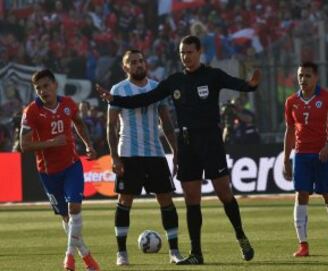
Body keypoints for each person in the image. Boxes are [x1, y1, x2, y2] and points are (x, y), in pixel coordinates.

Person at [97, 35, 261, 265]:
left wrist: (251, 85)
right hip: (187, 143)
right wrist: (115, 99)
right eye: (183, 53)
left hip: (211, 141)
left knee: (224, 193)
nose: (186, 56)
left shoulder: (212, 75)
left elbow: (238, 84)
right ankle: (196, 253)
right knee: (191, 199)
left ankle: (241, 236)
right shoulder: (174, 81)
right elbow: (145, 99)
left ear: (199, 52)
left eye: (190, 52)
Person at [107, 49, 183, 265]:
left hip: (155, 153)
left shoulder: (156, 87)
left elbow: (166, 123)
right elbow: (111, 126)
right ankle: (121, 253)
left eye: (140, 61)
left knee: (166, 199)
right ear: (125, 67)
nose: (138, 64)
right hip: (129, 153)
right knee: (125, 200)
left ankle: (174, 251)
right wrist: (114, 156)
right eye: (132, 62)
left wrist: (175, 151)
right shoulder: (118, 90)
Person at [20, 69, 100, 271]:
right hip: (48, 172)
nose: (42, 91)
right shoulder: (31, 112)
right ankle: (87, 258)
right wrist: (51, 143)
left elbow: (79, 123)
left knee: (75, 208)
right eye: (38, 88)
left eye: (46, 86)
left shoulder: (68, 104)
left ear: (55, 85)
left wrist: (88, 145)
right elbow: (24, 145)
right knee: (66, 217)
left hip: (72, 165)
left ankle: (69, 257)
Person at [283, 62, 328, 257]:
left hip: (324, 156)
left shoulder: (327, 98)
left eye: (307, 76)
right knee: (301, 195)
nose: (303, 79)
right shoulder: (291, 101)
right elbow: (289, 130)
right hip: (301, 155)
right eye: (300, 75)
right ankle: (303, 245)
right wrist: (286, 158)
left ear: (316, 77)